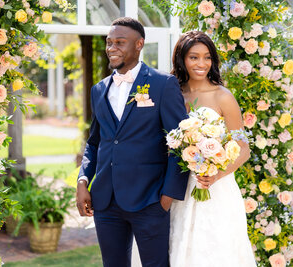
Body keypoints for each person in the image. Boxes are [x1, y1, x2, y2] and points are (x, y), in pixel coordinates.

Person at [76, 17, 189, 267]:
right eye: (109, 43)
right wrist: (83, 180)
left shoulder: (162, 84)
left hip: (149, 200)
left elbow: (180, 143)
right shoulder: (99, 89)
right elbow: (95, 142)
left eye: (119, 42)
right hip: (105, 201)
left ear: (139, 44)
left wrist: (167, 197)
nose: (111, 48)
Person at [168, 31, 257, 266]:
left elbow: (243, 148)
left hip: (217, 189)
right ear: (182, 59)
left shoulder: (223, 97)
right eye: (194, 57)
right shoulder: (172, 94)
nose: (202, 64)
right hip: (179, 187)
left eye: (207, 57)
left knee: (217, 250)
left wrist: (216, 174)